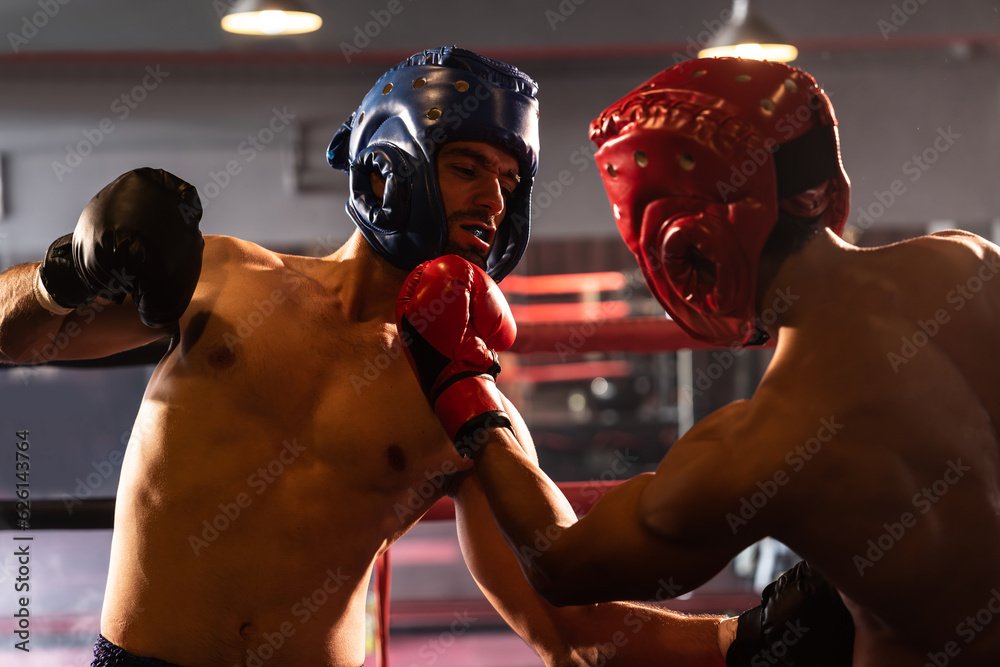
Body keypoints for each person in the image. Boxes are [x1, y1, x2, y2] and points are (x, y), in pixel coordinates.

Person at [2, 48, 842, 667]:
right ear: (388, 157)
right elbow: (15, 337)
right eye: (469, 166)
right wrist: (61, 278)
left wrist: (744, 642)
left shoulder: (463, 394)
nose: (493, 198)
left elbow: (564, 625)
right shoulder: (221, 275)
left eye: (510, 182)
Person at [408, 55, 1000, 667]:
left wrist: (466, 391)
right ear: (827, 188)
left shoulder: (769, 445)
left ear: (681, 243)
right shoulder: (971, 264)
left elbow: (561, 567)